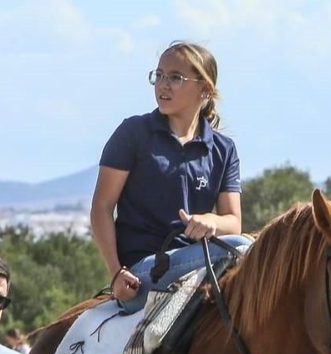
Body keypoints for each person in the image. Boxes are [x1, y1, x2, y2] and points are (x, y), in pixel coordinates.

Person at [92, 41, 246, 308]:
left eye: (175, 77)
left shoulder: (224, 149)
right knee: (244, 249)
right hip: (143, 270)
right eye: (160, 75)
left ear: (205, 89)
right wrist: (116, 273)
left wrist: (211, 221)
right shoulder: (133, 133)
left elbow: (233, 223)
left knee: (244, 246)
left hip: (199, 264)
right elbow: (101, 208)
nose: (163, 84)